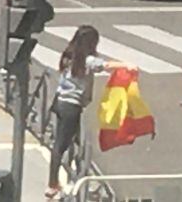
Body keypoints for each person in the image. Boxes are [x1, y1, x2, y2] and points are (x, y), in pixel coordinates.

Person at [46, 26, 129, 199]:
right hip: (71, 106)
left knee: (70, 141)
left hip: (60, 101)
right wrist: (127, 65)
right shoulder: (86, 60)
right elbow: (106, 65)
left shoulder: (70, 55)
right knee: (61, 145)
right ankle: (53, 184)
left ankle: (71, 174)